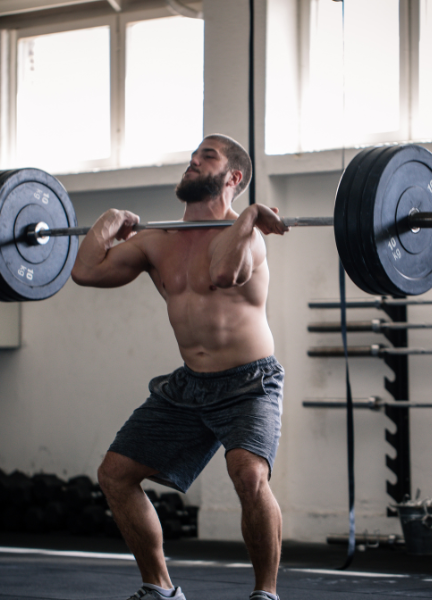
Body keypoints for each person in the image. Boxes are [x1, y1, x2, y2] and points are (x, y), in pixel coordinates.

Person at [71, 134, 289, 600]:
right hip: (190, 386)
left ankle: (265, 595)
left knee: (249, 475)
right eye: (192, 156)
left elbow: (223, 275)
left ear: (233, 177)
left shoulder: (249, 235)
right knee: (115, 474)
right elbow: (86, 272)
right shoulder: (157, 241)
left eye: (205, 157)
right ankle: (160, 589)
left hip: (249, 382)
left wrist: (249, 215)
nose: (192, 162)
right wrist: (106, 223)